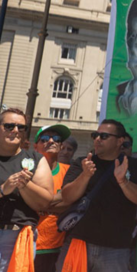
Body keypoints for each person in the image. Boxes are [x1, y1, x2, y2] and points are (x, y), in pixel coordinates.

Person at [59, 119, 137, 272]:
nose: (97, 139)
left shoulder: (135, 165)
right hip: (80, 243)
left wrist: (123, 181)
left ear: (119, 141)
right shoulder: (82, 163)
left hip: (116, 250)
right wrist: (85, 176)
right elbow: (67, 197)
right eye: (95, 135)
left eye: (104, 136)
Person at [0, 109, 53, 270]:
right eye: (9, 126)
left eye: (21, 127)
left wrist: (26, 185)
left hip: (17, 237)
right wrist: (3, 189)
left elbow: (45, 202)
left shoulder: (36, 159)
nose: (15, 131)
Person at [33, 124, 72, 272]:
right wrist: (58, 200)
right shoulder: (27, 169)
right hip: (30, 244)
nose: (51, 141)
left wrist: (41, 203)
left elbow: (71, 203)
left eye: (56, 138)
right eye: (44, 139)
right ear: (35, 146)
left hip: (60, 247)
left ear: (61, 146)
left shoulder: (69, 172)